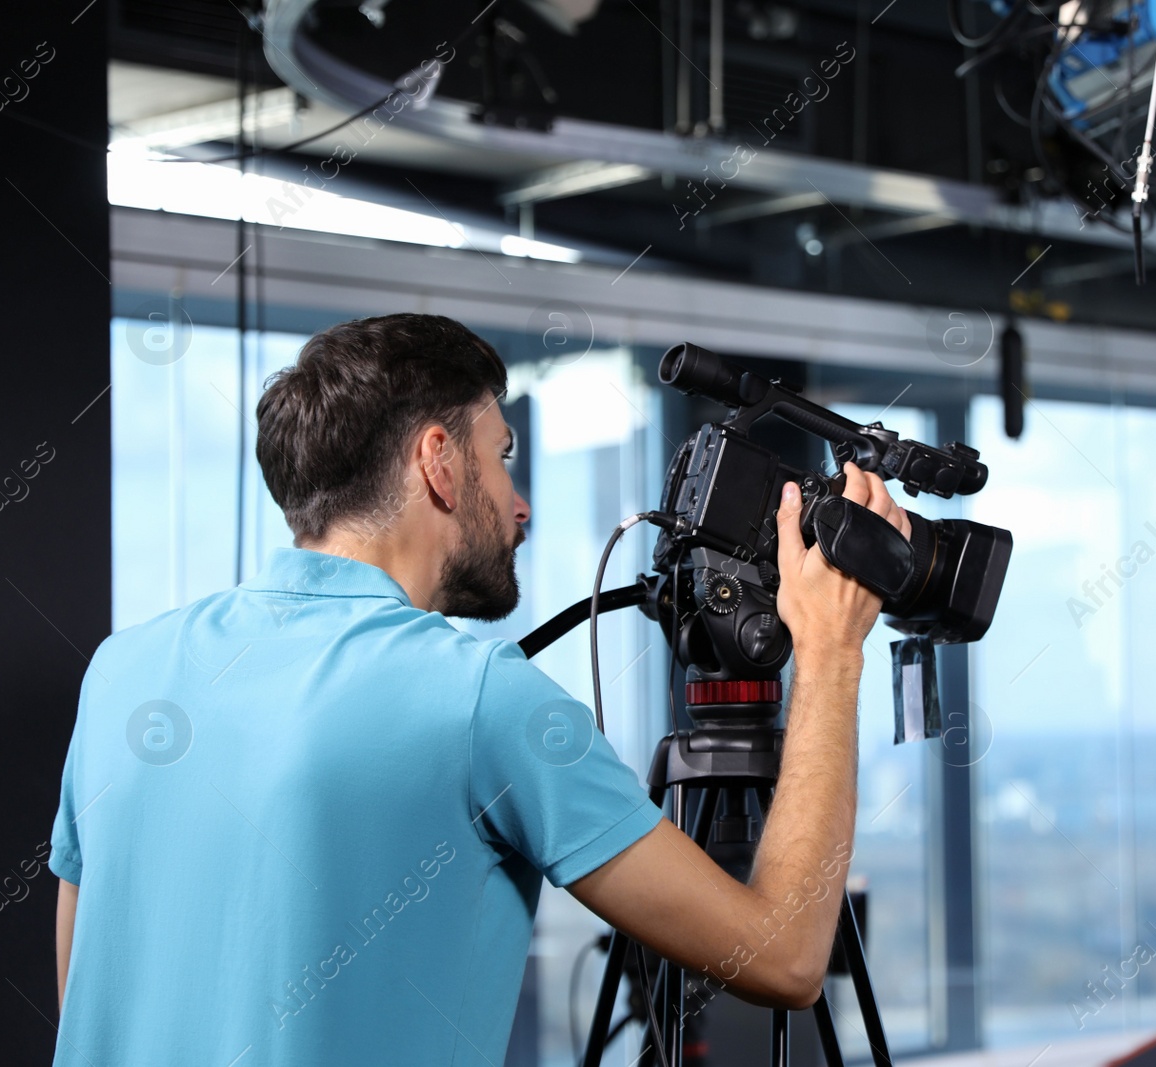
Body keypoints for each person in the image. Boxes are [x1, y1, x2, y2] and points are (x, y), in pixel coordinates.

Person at [49, 313, 911, 1065]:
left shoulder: (124, 670)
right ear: (439, 463)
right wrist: (832, 651)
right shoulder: (481, 697)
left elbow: (88, 991)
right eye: (501, 455)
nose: (520, 502)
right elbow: (789, 958)